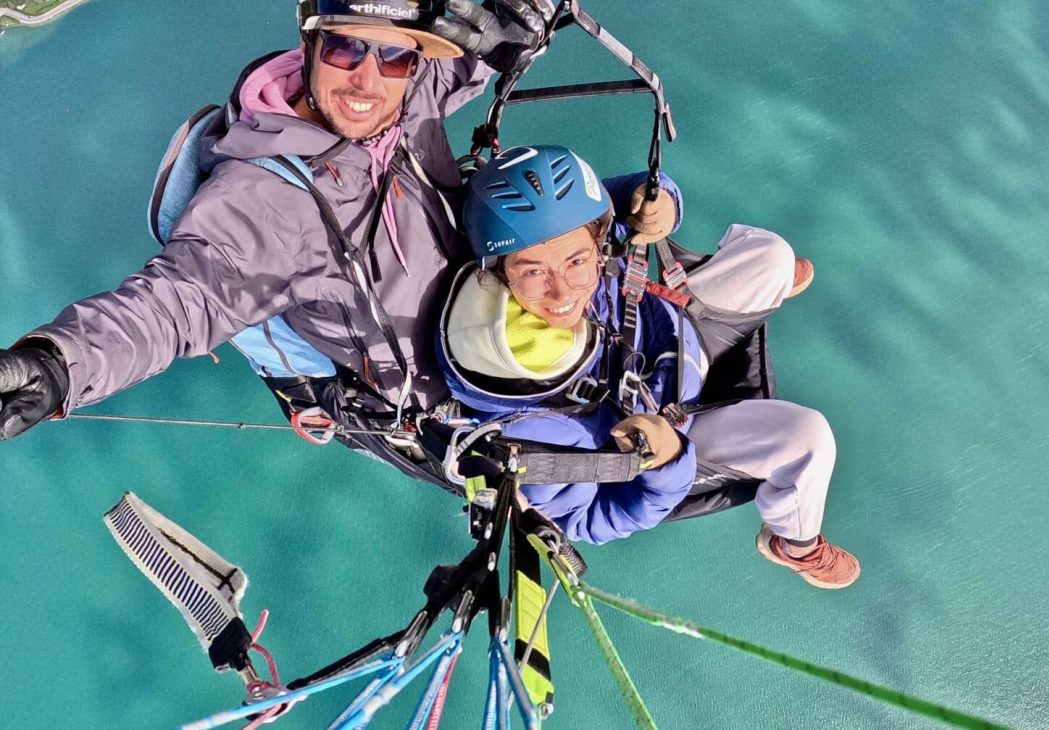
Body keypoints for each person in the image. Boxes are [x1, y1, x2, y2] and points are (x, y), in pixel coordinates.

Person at [0, 0, 547, 450]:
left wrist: (522, 18)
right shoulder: (266, 201)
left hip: (490, 315)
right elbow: (176, 303)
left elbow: (477, 54)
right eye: (344, 47)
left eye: (394, 56)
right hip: (436, 408)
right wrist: (56, 365)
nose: (366, 78)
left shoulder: (404, 96)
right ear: (309, 46)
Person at [439, 145, 861, 588]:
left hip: (672, 325)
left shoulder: (539, 246)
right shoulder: (530, 428)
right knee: (809, 439)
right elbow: (588, 522)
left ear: (598, 245)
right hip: (677, 429)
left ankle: (767, 281)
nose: (563, 292)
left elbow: (609, 204)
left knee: (771, 255)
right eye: (534, 273)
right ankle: (793, 542)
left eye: (578, 261)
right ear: (499, 276)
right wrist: (670, 462)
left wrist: (658, 200)